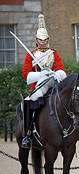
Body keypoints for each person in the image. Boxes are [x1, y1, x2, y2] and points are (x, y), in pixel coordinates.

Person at [21, 14, 67, 148]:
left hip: (53, 83)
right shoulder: (31, 55)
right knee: (31, 101)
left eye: (45, 39)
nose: (43, 41)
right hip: (38, 85)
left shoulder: (54, 53)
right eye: (41, 39)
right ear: (36, 40)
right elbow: (26, 75)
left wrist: (55, 73)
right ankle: (28, 134)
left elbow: (62, 70)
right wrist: (41, 74)